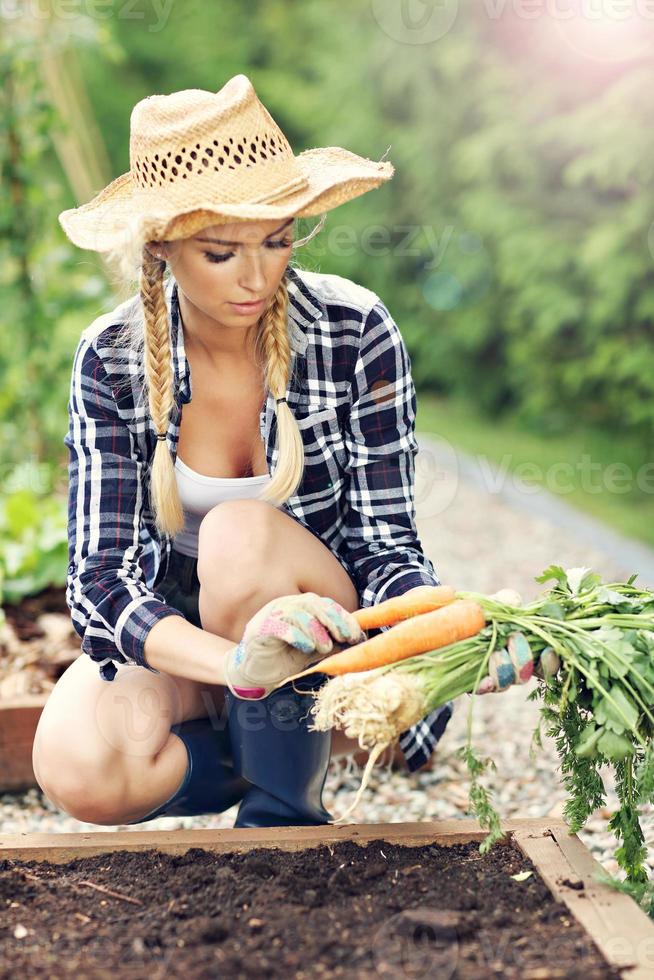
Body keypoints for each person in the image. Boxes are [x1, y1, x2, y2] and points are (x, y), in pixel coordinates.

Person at [32, 74, 455, 829]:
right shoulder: (111, 359)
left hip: (315, 624)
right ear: (160, 245)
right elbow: (101, 580)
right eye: (221, 252)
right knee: (79, 764)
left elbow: (385, 541)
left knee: (238, 534)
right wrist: (236, 666)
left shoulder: (356, 333)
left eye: (278, 240)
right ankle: (258, 748)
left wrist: (435, 642)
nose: (257, 277)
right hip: (195, 641)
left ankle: (281, 817)